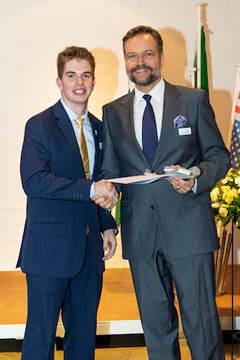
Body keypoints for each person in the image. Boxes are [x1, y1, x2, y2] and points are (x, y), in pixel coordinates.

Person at [99, 26, 230, 359]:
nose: (140, 62)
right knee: (156, 327)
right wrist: (108, 196)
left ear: (160, 57)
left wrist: (197, 177)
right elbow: (109, 171)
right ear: (125, 61)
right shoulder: (112, 111)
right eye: (132, 55)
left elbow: (218, 156)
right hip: (140, 234)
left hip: (189, 230)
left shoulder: (193, 99)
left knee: (201, 323)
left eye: (147, 54)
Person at [17, 46, 118, 360]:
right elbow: (33, 181)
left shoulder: (101, 129)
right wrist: (90, 189)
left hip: (89, 254)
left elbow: (102, 180)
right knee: (40, 337)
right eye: (71, 75)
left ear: (93, 81)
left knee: (84, 338)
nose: (79, 82)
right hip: (48, 252)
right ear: (59, 82)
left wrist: (108, 226)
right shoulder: (39, 125)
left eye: (85, 75)